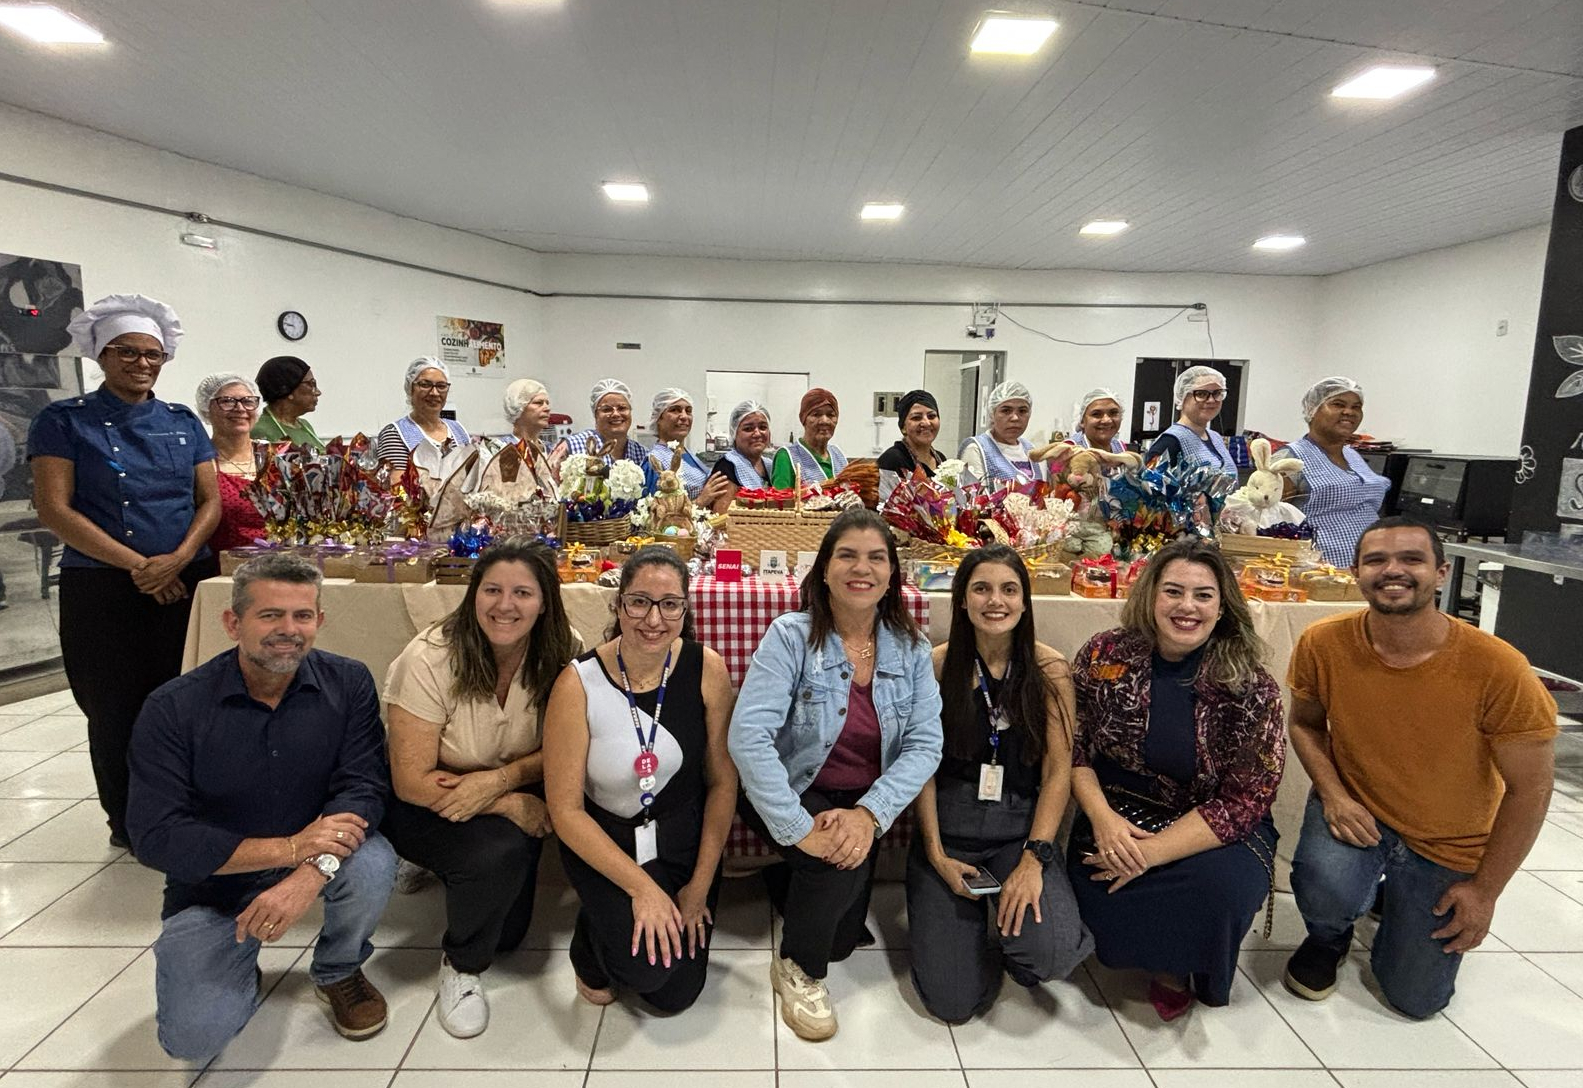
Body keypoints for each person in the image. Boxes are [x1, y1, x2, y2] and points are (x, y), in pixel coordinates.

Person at [1283, 517, 1556, 1019]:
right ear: (1355, 572)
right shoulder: (1323, 643)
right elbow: (1304, 724)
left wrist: (1484, 892)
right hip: (1357, 808)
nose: (1393, 571)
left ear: (1441, 573)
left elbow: (1531, 790)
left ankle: (1396, 897)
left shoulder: (1499, 668)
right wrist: (1336, 796)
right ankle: (1330, 934)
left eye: (1411, 559)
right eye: (1376, 560)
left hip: (1448, 836)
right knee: (1324, 884)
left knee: (1415, 999)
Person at [126, 553, 396, 1060]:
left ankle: (339, 968)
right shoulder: (172, 708)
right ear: (233, 622)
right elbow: (156, 835)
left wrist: (306, 874)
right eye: (270, 615)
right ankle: (235, 955)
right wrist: (287, 849)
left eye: (302, 616)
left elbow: (363, 788)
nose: (288, 630)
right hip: (214, 881)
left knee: (375, 862)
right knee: (192, 1040)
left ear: (320, 621)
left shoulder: (349, 682)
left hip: (320, 854)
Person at [729, 507, 943, 1040]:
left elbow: (925, 743)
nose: (861, 568)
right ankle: (799, 968)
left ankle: (789, 877)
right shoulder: (790, 636)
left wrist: (870, 815)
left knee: (845, 935)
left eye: (876, 558)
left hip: (864, 800)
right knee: (831, 865)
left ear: (893, 573)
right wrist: (799, 829)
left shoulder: (912, 647)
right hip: (786, 790)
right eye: (846, 555)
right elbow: (748, 739)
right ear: (824, 568)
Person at [29, 293, 221, 848]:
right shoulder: (62, 421)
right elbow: (54, 508)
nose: (141, 363)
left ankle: (189, 807)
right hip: (105, 586)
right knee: (113, 708)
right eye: (126, 352)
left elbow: (208, 501)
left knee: (188, 700)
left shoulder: (184, 421)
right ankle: (130, 822)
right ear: (100, 355)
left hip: (187, 577)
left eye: (151, 354)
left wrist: (180, 558)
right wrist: (141, 566)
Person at [1068, 536, 1283, 1021]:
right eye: (1173, 591)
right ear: (1150, 595)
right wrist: (1102, 819)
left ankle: (1177, 967)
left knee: (1219, 889)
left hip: (1210, 822)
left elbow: (1247, 798)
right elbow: (1072, 747)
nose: (1187, 606)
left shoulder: (1250, 683)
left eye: (1203, 595)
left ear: (1222, 604)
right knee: (1100, 889)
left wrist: (1147, 855)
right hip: (1118, 810)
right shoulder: (1104, 655)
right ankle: (1151, 950)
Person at [380, 539, 578, 1036]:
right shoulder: (429, 658)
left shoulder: (563, 649)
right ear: (473, 595)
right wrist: (510, 802)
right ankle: (462, 967)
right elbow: (410, 780)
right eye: (491, 590)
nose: (505, 605)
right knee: (500, 853)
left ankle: (455, 871)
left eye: (522, 593)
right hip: (423, 799)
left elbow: (569, 744)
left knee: (510, 936)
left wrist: (498, 781)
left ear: (545, 601)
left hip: (498, 782)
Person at [543, 547, 738, 1011]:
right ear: (618, 605)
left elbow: (723, 783)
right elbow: (566, 811)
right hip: (604, 840)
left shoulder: (706, 669)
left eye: (670, 604)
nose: (654, 618)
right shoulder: (577, 684)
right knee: (647, 969)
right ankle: (590, 945)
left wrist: (699, 886)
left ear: (685, 609)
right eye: (639, 602)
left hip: (681, 839)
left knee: (674, 995)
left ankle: (618, 923)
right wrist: (643, 889)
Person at [906, 545, 1093, 1023]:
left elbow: (1057, 772)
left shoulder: (1050, 670)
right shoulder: (936, 666)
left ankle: (1017, 939)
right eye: (982, 589)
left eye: (1010, 589)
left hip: (1018, 833)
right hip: (949, 832)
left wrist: (1034, 860)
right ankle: (967, 936)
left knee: (1050, 956)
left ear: (1025, 602)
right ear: (962, 601)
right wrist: (935, 854)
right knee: (951, 1003)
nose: (996, 601)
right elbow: (920, 766)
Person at [1287, 377, 1391, 567]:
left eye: (1356, 407)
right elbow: (1267, 522)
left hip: (1372, 567)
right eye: (1338, 404)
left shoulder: (1353, 456)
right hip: (1322, 572)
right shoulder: (1289, 458)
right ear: (1313, 410)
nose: (1349, 412)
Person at [196, 372, 267, 553]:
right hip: (223, 573)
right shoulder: (201, 463)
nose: (240, 408)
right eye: (227, 401)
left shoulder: (276, 457)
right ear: (206, 409)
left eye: (248, 401)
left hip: (282, 569)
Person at [374, 356, 472, 476]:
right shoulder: (395, 434)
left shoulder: (458, 430)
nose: (434, 393)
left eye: (441, 386)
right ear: (410, 388)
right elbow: (397, 489)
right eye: (425, 385)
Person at [1144, 365, 1237, 478]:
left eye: (1217, 393)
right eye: (1201, 394)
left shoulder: (1215, 437)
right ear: (1182, 397)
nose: (1211, 400)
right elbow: (1151, 488)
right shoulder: (1170, 442)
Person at [647, 386, 730, 507]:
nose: (684, 416)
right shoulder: (654, 461)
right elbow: (654, 513)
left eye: (688, 411)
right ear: (658, 418)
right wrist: (700, 501)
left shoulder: (686, 454)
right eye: (675, 410)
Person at [551, 378, 651, 471]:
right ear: (595, 415)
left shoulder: (643, 455)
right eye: (607, 409)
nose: (615, 414)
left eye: (622, 408)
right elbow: (549, 484)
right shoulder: (571, 446)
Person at [960, 380, 1047, 485]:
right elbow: (972, 496)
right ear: (992, 414)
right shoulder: (977, 448)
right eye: (1006, 411)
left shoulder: (1030, 449)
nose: (1015, 418)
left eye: (1022, 411)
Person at [876, 389, 948, 502]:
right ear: (903, 427)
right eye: (916, 418)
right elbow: (885, 508)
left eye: (931, 416)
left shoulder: (941, 459)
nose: (926, 423)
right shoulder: (892, 460)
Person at [705, 400, 776, 513]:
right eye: (748, 429)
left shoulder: (770, 466)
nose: (757, 433)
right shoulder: (727, 468)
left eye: (763, 427)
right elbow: (722, 517)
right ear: (734, 433)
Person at [772, 388, 847, 488]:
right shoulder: (787, 456)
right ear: (803, 419)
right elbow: (780, 501)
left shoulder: (838, 454)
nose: (824, 421)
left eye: (831, 415)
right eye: (816, 414)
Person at [498, 377, 559, 494]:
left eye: (547, 403)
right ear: (518, 407)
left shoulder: (551, 451)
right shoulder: (501, 450)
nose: (547, 408)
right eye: (538, 403)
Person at [251, 355, 325, 450]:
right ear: (287, 390)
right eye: (311, 384)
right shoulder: (260, 428)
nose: (318, 392)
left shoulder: (305, 425)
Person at [1069, 388, 1128, 453]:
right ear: (1082, 421)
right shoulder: (1068, 450)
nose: (1106, 420)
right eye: (1096, 414)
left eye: (1113, 413)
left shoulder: (1119, 447)